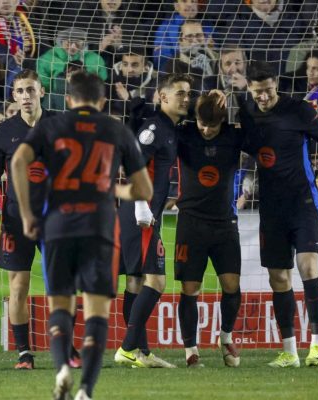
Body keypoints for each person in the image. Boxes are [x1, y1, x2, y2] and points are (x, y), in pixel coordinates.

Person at [10, 70, 152, 400]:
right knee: (96, 312)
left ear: (69, 99)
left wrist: (29, 215)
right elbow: (143, 188)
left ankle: (61, 370)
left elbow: (18, 162)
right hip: (99, 228)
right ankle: (86, 390)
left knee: (60, 304)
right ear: (102, 101)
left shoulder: (51, 125)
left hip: (57, 226)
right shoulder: (115, 128)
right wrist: (107, 186)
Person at [238, 61, 318, 368]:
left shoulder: (299, 111)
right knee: (278, 278)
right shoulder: (246, 112)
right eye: (257, 92)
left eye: (267, 90)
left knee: (307, 267)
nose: (263, 97)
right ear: (250, 89)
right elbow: (245, 149)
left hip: (303, 202)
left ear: (276, 84)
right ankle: (289, 351)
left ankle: (317, 344)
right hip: (271, 208)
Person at [0, 69, 64, 370]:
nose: (26, 96)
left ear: (42, 92)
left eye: (31, 90)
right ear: (13, 96)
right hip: (16, 218)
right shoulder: (3, 131)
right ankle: (24, 353)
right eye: (20, 91)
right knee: (18, 286)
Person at [114, 73, 193, 370]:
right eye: (180, 93)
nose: (186, 98)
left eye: (188, 94)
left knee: (135, 281)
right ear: (162, 97)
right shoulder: (154, 129)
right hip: (140, 214)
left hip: (145, 213)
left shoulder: (169, 128)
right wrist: (140, 206)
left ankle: (141, 352)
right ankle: (127, 348)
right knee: (156, 281)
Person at [175, 92, 243, 368]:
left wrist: (235, 95)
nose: (205, 129)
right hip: (191, 222)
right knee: (190, 287)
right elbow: (173, 111)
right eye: (202, 123)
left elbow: (251, 121)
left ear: (222, 122)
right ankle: (191, 350)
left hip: (224, 222)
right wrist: (198, 105)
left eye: (211, 126)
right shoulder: (186, 133)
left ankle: (225, 337)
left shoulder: (233, 136)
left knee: (231, 285)